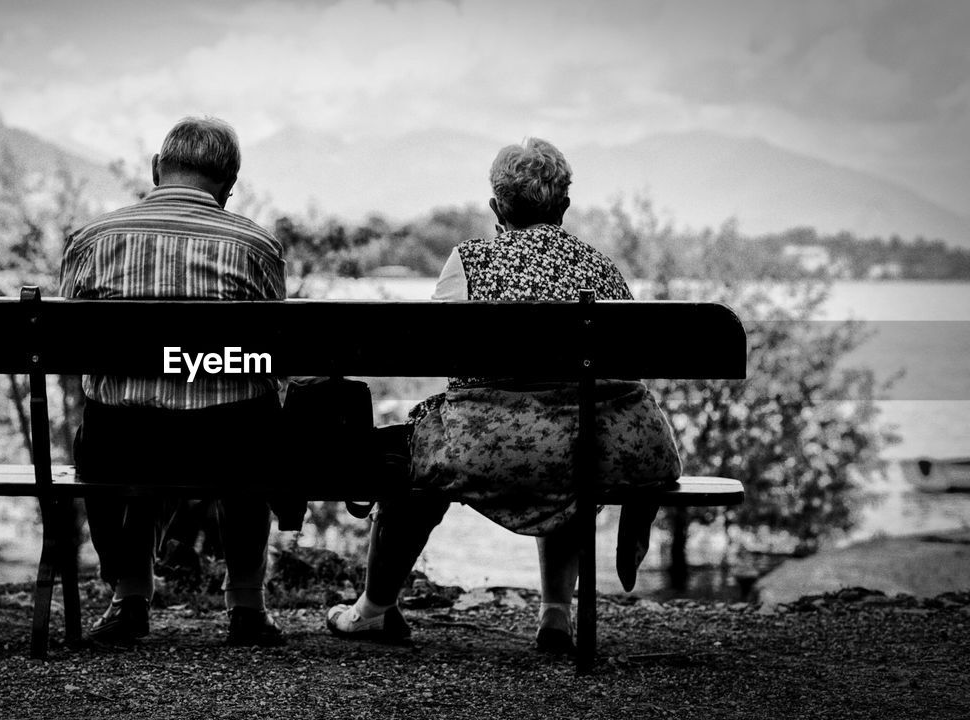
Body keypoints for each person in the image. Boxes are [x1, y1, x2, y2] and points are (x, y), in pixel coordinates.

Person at [326, 138, 681, 653]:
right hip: (598, 450)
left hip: (491, 451)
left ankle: (372, 610)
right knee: (565, 433)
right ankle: (555, 616)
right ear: (563, 206)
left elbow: (436, 355)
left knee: (413, 459)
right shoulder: (601, 269)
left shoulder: (469, 263)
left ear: (496, 207)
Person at [60, 116, 287, 647]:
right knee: (252, 419)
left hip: (120, 445)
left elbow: (72, 346)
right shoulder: (256, 246)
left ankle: (130, 598)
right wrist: (216, 366)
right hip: (232, 445)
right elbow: (272, 353)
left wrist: (149, 371)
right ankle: (247, 607)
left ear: (157, 169)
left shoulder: (93, 240)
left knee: (132, 431)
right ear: (230, 185)